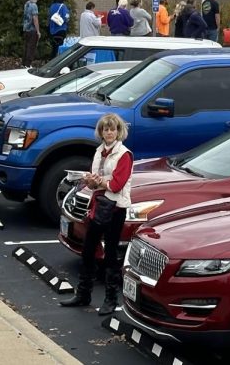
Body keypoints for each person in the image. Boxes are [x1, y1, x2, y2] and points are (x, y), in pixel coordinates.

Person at [59, 114, 133, 316]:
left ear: (119, 132)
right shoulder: (99, 152)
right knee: (88, 249)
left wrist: (98, 181)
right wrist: (90, 181)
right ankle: (84, 293)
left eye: (113, 129)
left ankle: (111, 299)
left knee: (110, 253)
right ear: (100, 132)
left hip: (115, 208)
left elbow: (116, 185)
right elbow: (95, 184)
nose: (109, 132)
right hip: (97, 205)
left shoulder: (124, 155)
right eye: (105, 129)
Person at [22, 0, 41, 67]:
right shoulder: (34, 5)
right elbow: (35, 18)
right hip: (32, 29)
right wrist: (38, 31)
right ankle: (28, 64)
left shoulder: (27, 3)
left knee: (27, 46)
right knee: (31, 47)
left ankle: (24, 63)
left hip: (26, 28)